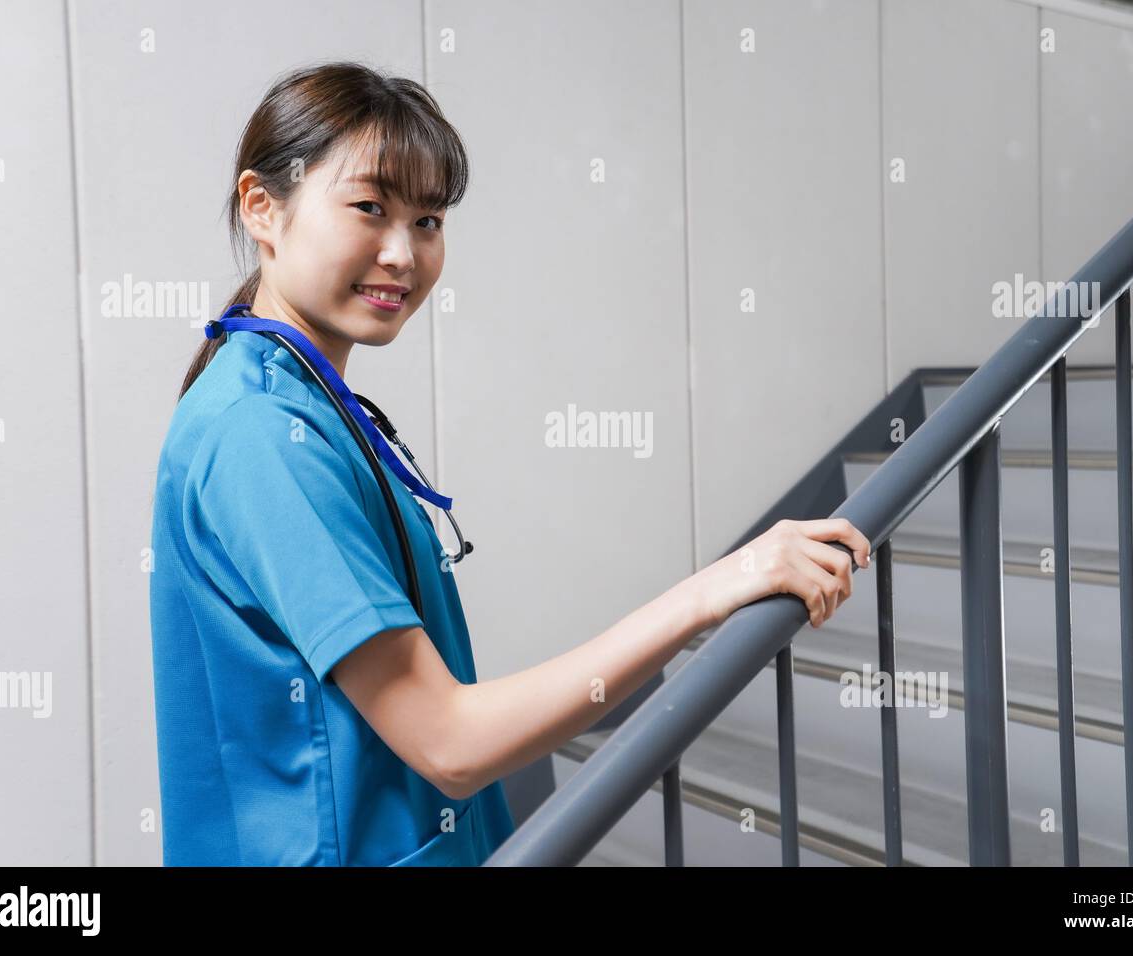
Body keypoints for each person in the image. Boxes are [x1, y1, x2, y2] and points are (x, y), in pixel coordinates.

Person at [149, 61, 871, 867]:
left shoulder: (302, 405)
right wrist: (714, 591)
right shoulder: (258, 433)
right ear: (263, 208)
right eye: (369, 208)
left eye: (428, 221)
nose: (402, 253)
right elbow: (448, 740)